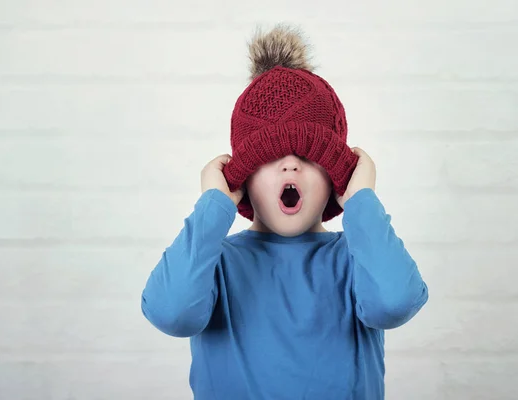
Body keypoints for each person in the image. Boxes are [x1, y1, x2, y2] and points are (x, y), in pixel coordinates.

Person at [141, 24, 429, 399]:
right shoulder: (216, 262)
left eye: (310, 156)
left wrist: (361, 200)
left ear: (335, 178)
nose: (290, 166)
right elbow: (170, 312)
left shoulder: (357, 258)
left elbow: (395, 302)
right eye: (269, 156)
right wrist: (213, 205)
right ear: (242, 177)